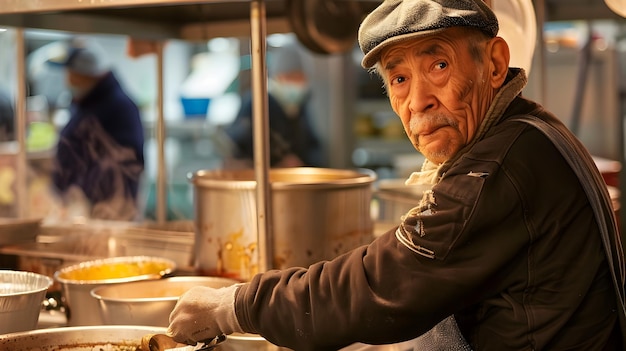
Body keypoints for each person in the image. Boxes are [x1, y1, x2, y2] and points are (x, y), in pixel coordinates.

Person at [168, 0, 626, 350]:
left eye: (439, 65)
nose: (418, 100)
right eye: (399, 79)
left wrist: (237, 305)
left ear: (495, 64)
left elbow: (380, 286)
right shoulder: (526, 129)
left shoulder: (497, 167)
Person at [50, 38, 144, 220]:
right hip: (80, 213)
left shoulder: (120, 107)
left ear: (88, 74)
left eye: (72, 73)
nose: (68, 80)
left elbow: (127, 162)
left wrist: (84, 193)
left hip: (107, 213)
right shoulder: (85, 103)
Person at [223, 42, 322, 168]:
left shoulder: (299, 107)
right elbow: (238, 151)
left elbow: (313, 146)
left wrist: (304, 164)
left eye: (301, 78)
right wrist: (276, 164)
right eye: (292, 77)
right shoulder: (257, 103)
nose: (298, 84)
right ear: (279, 77)